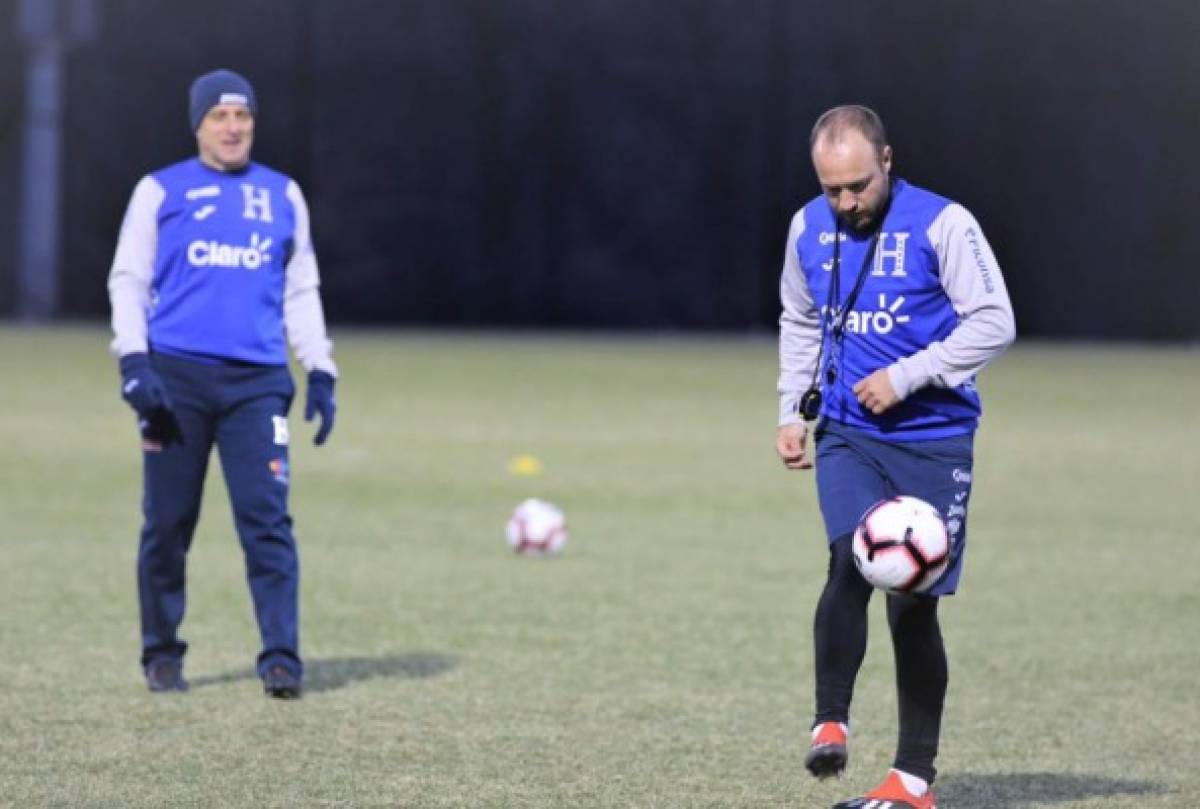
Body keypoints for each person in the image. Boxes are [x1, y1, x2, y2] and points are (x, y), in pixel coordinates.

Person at [775, 105, 1015, 808]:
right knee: (850, 555)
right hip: (847, 431)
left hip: (932, 441)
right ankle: (831, 720)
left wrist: (908, 375)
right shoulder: (806, 227)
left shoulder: (943, 223)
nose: (846, 203)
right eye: (831, 190)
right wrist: (793, 407)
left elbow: (996, 320)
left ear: (886, 161)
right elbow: (800, 317)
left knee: (911, 605)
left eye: (857, 186)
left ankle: (912, 780)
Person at [108, 69, 338, 699]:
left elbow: (301, 286)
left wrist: (319, 367)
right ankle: (161, 653)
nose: (233, 128)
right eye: (220, 117)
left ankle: (282, 659)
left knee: (267, 524)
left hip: (256, 386)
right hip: (174, 381)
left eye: (243, 117)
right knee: (166, 525)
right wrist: (135, 364)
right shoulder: (160, 192)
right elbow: (128, 279)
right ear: (199, 125)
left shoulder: (283, 195)